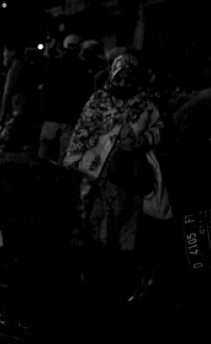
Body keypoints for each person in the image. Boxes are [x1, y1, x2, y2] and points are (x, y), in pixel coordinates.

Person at [62, 52, 163, 286]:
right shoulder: (99, 100)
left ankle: (119, 273)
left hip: (130, 172)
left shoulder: (146, 101)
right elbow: (83, 130)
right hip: (98, 171)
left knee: (127, 220)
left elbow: (159, 127)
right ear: (113, 76)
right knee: (95, 219)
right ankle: (94, 269)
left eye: (129, 78)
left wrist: (145, 138)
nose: (124, 83)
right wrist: (74, 162)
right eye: (120, 78)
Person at [38, 33, 93, 162]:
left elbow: (45, 91)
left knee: (43, 155)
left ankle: (39, 179)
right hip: (69, 120)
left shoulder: (54, 65)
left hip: (51, 118)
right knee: (64, 158)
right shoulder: (82, 68)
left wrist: (43, 114)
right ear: (79, 49)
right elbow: (85, 95)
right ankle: (58, 181)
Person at [0, 41, 38, 151]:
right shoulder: (25, 65)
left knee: (12, 149)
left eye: (5, 51)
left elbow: (7, 94)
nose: (4, 54)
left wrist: (2, 116)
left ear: (12, 52)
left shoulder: (15, 68)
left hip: (21, 113)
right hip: (29, 111)